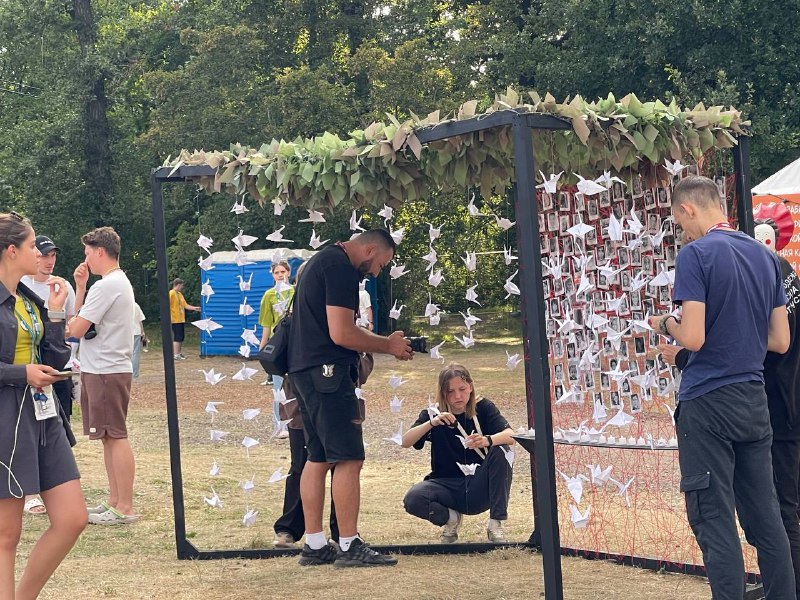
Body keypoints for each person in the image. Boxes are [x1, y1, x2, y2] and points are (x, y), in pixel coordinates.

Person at [648, 176, 794, 599]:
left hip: (708, 401)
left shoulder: (696, 254)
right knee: (766, 516)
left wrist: (664, 323)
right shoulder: (764, 256)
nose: (682, 231)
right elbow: (779, 341)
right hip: (753, 399)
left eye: (679, 221)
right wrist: (738, 330)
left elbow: (692, 338)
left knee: (713, 516)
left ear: (688, 208)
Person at [287, 228, 412, 568]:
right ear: (370, 249)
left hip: (304, 372)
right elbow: (341, 332)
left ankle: (314, 544)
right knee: (349, 458)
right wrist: (388, 344)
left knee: (318, 456)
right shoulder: (340, 267)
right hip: (327, 373)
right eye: (381, 264)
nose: (376, 272)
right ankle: (348, 544)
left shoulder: (321, 260)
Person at [0, 212, 87, 599]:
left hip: (45, 414)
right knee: (7, 533)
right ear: (11, 250)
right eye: (33, 245)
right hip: (6, 417)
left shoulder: (29, 298)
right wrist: (23, 374)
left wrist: (55, 314)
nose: (40, 253)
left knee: (72, 519)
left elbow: (56, 357)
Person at [67, 227, 138, 526]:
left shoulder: (108, 285)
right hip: (106, 368)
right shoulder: (112, 284)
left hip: (107, 370)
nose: (85, 260)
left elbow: (76, 328)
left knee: (115, 436)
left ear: (99, 251)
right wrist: (80, 288)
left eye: (87, 253)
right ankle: (114, 501)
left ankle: (125, 506)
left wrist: (65, 316)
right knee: (108, 437)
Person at [401, 363, 515, 543]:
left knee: (502, 450)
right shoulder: (434, 414)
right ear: (442, 393)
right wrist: (432, 423)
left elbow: (511, 435)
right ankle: (451, 519)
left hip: (479, 486)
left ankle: (496, 524)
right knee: (413, 498)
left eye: (462, 389)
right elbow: (406, 442)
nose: (458, 396)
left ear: (470, 386)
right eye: (450, 391)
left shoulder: (483, 407)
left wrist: (486, 440)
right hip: (446, 486)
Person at [19, 234, 78, 517]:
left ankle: (52, 484)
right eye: (41, 253)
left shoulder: (61, 286)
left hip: (55, 369)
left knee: (56, 426)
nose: (48, 260)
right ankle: (30, 491)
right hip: (23, 379)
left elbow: (71, 326)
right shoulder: (21, 287)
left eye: (51, 255)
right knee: (26, 434)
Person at [258, 261, 294, 439]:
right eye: (277, 272)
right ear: (272, 275)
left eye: (283, 271)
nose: (280, 275)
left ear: (289, 272)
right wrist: (263, 346)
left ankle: (296, 422)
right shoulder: (269, 295)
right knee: (279, 386)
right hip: (278, 342)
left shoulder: (295, 292)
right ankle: (279, 425)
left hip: (295, 342)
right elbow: (266, 323)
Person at [169, 278, 199, 360]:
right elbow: (167, 305)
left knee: (181, 337)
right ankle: (175, 355)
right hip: (175, 319)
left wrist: (194, 308)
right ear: (177, 285)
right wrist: (169, 316)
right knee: (177, 337)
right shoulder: (171, 293)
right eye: (181, 285)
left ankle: (179, 353)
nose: (182, 287)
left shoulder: (179, 294)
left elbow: (185, 305)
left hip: (181, 319)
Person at [131, 302, 146, 379]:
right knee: (135, 353)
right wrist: (142, 332)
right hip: (136, 331)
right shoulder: (135, 305)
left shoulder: (121, 304)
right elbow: (140, 320)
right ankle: (134, 373)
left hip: (125, 332)